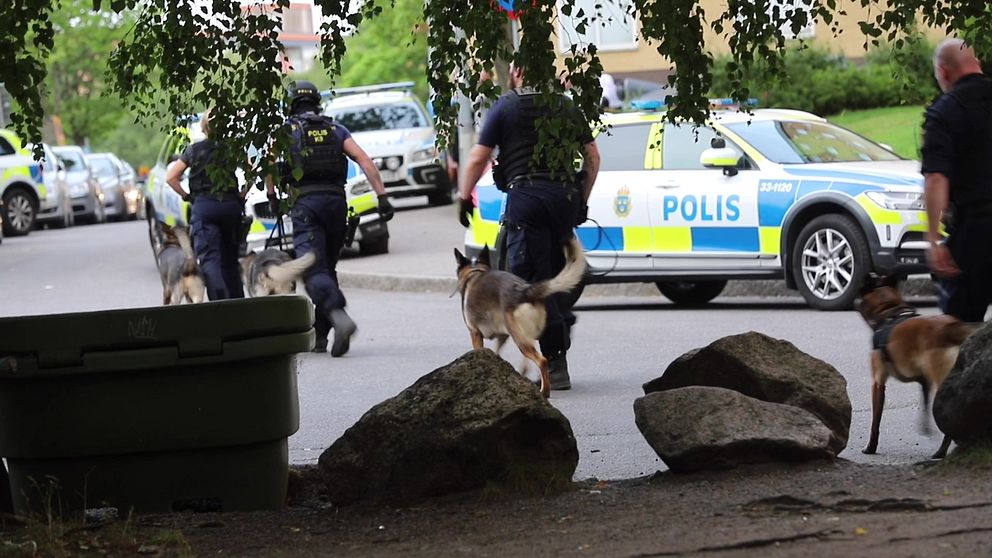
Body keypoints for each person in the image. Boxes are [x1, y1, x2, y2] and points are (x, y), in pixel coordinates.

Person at [457, 62, 601, 390]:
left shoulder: (506, 105)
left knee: (525, 282)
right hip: (563, 198)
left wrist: (464, 196)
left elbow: (478, 158)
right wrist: (581, 201)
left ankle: (550, 357)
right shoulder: (565, 104)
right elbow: (592, 158)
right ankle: (557, 352)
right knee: (558, 275)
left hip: (526, 202)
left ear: (518, 74)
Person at [270, 80, 395, 356]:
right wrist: (382, 197)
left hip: (306, 206)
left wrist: (271, 197)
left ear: (291, 103)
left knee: (313, 268)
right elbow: (364, 160)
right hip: (337, 204)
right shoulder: (335, 129)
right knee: (327, 268)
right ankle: (321, 337)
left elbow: (269, 165)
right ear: (317, 102)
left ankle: (339, 315)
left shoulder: (286, 131)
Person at [922, 38, 992, 322]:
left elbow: (937, 178)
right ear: (977, 63)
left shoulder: (945, 111)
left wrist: (933, 239)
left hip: (976, 234)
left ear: (943, 71)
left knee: (956, 332)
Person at [165, 108, 247, 300]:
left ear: (204, 127)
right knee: (230, 258)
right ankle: (238, 303)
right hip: (230, 205)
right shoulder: (232, 148)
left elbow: (171, 177)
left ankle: (218, 299)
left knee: (210, 258)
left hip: (204, 207)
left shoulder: (194, 150)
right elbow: (253, 169)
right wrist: (242, 194)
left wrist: (187, 196)